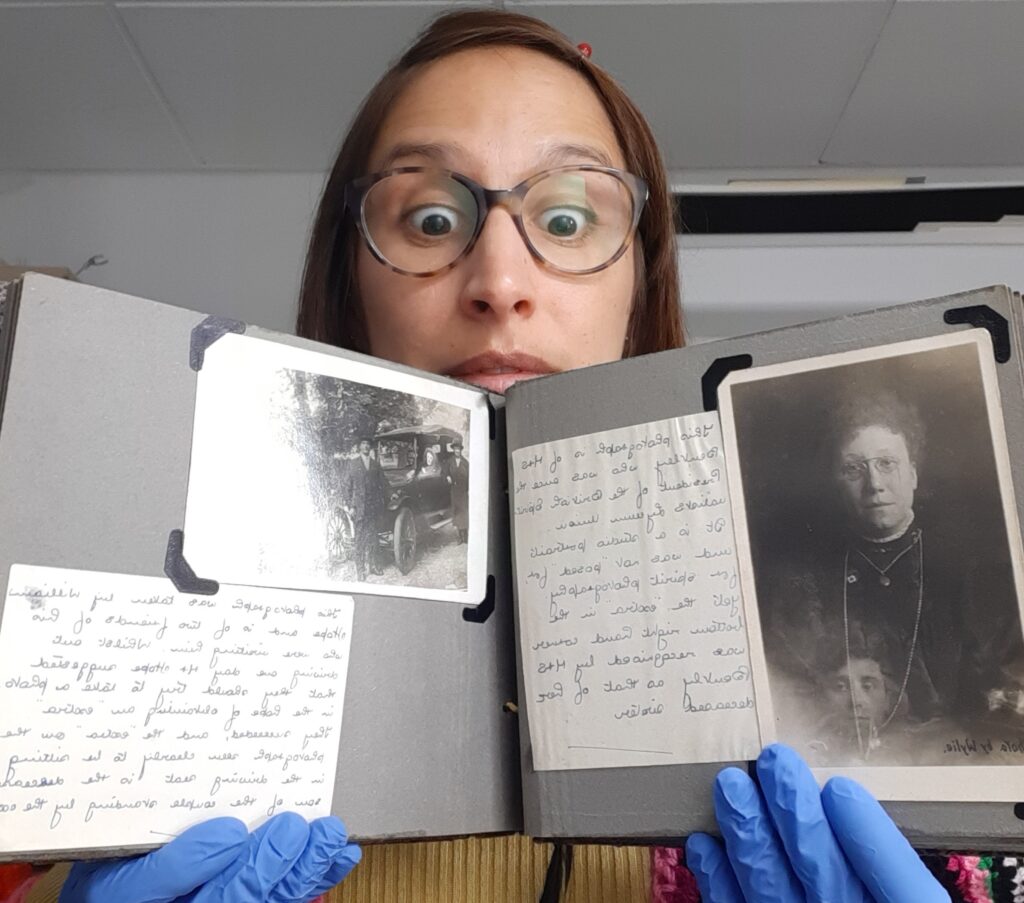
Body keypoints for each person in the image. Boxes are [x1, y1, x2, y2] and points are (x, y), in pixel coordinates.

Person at [38, 9, 955, 903]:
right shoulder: (157, 703)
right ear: (349, 289)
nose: (500, 283)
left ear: (642, 289)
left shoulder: (809, 651)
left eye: (564, 221)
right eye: (432, 221)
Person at [764, 391, 1023, 766]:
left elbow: (1006, 706)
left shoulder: (971, 574)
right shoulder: (804, 583)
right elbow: (790, 706)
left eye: (887, 463)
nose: (874, 485)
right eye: (854, 468)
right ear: (837, 482)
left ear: (914, 475)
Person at [343, 437, 388, 580]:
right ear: (359, 447)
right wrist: (350, 506)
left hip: (372, 509)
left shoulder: (375, 465)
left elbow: (383, 484)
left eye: (368, 444)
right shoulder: (353, 464)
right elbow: (346, 487)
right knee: (360, 540)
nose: (366, 447)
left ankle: (373, 567)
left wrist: (392, 495)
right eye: (363, 444)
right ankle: (360, 571)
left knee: (374, 539)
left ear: (370, 447)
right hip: (359, 509)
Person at [444, 437, 470, 543]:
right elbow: (445, 473)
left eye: (458, 448)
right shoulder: (449, 462)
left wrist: (468, 490)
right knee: (457, 512)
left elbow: (469, 477)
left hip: (463, 491)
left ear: (461, 449)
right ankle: (459, 536)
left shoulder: (465, 462)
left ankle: (466, 536)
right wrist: (447, 477)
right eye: (455, 449)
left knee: (464, 512)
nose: (457, 450)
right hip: (454, 490)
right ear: (453, 449)